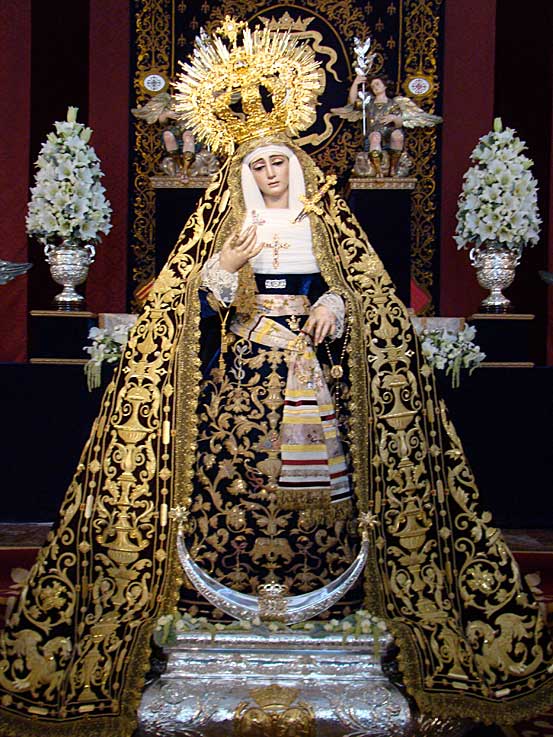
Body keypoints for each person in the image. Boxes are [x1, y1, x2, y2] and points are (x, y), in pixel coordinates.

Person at [0, 20, 552, 737]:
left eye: (277, 162)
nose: (268, 174)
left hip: (313, 372)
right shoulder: (226, 226)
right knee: (235, 473)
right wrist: (224, 267)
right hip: (244, 372)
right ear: (242, 172)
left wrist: (332, 303)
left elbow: (363, 291)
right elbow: (184, 309)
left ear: (295, 164)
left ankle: (323, 593)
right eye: (256, 164)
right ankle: (223, 590)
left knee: (326, 481)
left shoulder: (325, 221)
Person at [331, 73, 442, 177]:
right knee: (375, 137)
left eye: (377, 84)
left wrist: (394, 118)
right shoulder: (368, 103)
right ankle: (378, 170)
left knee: (398, 135)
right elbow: (352, 102)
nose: (375, 87)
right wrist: (356, 83)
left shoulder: (393, 104)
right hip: (374, 131)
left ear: (385, 86)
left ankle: (393, 167)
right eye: (373, 86)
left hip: (389, 132)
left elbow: (399, 124)